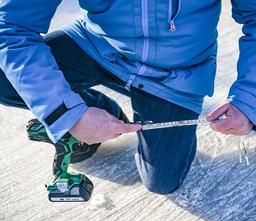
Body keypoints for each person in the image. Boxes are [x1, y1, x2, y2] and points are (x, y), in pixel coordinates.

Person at [0, 0, 255, 195]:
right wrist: (69, 114)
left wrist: (249, 101)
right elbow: (11, 27)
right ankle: (95, 108)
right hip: (99, 46)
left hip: (176, 74)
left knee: (162, 180)